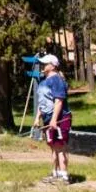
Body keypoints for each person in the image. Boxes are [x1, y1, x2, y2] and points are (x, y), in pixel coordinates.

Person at [33, 53, 71, 183]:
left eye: (45, 63)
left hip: (60, 118)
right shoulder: (44, 81)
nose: (42, 66)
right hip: (48, 118)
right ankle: (55, 173)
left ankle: (64, 175)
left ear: (53, 66)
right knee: (53, 146)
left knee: (60, 146)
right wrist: (37, 118)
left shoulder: (57, 81)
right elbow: (42, 102)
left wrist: (54, 119)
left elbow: (59, 101)